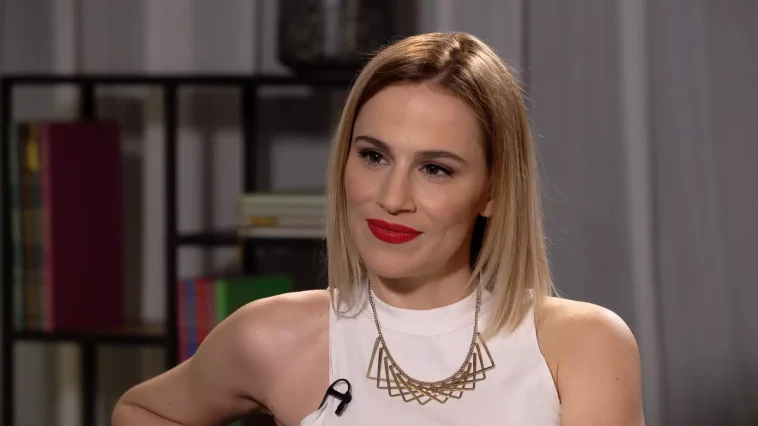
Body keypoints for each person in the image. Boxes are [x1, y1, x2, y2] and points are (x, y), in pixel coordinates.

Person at [112, 31, 644, 426]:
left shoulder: (581, 346)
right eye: (373, 156)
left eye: (435, 169)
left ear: (494, 192)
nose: (391, 198)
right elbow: (140, 412)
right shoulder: (273, 336)